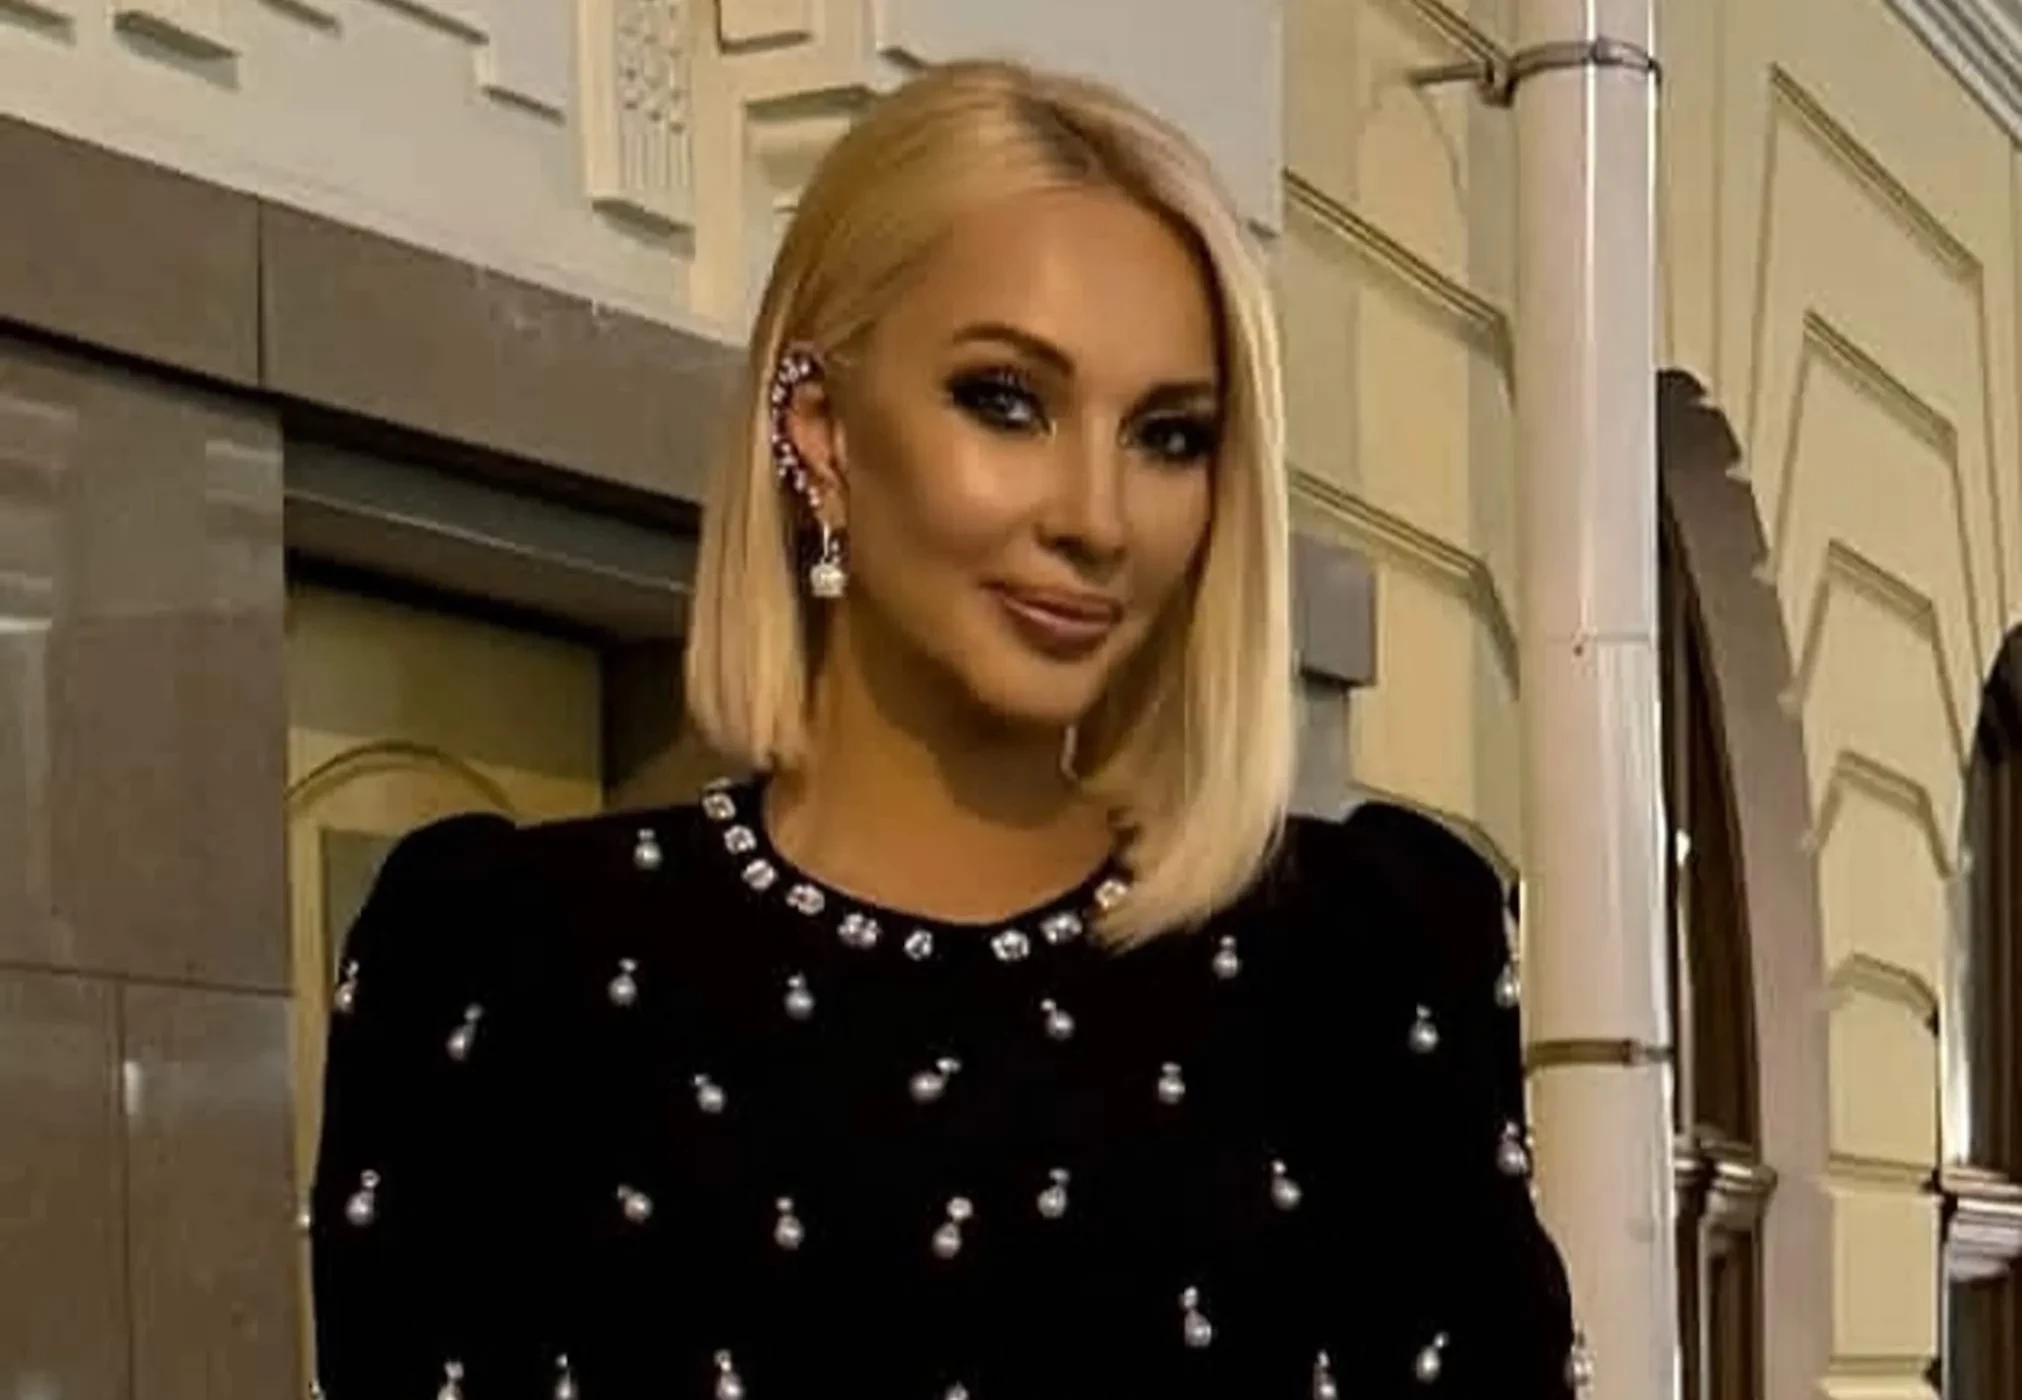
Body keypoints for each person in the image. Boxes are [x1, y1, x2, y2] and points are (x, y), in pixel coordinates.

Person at [308, 58, 1583, 1400]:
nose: (1096, 517)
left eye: (1168, 436)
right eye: (1005, 401)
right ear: (820, 431)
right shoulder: (510, 971)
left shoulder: (1361, 967)